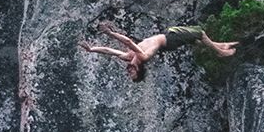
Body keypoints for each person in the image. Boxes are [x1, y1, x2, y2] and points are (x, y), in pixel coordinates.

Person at [79, 20, 238, 81]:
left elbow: (108, 50)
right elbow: (128, 41)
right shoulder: (144, 56)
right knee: (200, 33)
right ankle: (220, 52)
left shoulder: (128, 56)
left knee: (196, 40)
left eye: (130, 74)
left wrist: (92, 49)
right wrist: (110, 33)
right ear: (139, 69)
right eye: (133, 74)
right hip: (170, 39)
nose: (129, 72)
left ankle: (221, 45)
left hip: (169, 35)